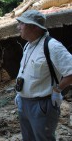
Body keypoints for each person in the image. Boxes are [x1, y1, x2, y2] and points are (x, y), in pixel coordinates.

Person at [15, 10, 72, 141]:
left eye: (22, 24)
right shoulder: (28, 45)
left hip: (42, 105)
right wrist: (19, 95)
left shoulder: (52, 46)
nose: (18, 27)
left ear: (34, 26)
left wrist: (58, 90)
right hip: (24, 103)